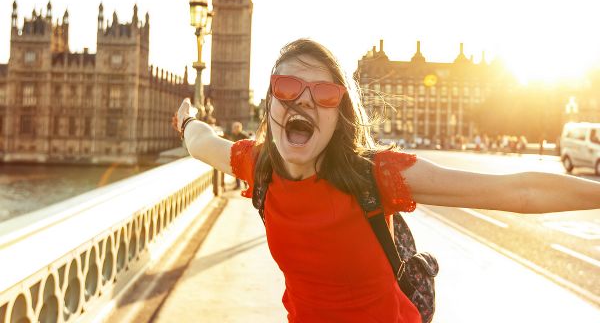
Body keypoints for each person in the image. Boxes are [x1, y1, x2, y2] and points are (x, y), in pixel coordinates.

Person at [172, 39, 600, 323]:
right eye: (286, 87)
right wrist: (188, 118)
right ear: (269, 103)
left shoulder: (376, 176)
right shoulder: (258, 165)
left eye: (323, 94)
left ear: (339, 115)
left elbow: (519, 191)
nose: (302, 99)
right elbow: (201, 143)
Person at [226, 121, 249, 189]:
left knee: (243, 171)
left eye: (235, 128)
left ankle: (246, 184)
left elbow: (248, 145)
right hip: (236, 156)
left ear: (239, 128)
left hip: (243, 156)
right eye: (233, 128)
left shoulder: (244, 135)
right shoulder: (232, 135)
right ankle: (238, 185)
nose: (234, 129)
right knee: (236, 171)